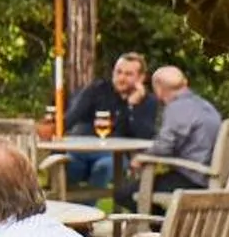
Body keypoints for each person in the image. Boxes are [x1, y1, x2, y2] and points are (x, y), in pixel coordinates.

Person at [117, 66, 221, 212]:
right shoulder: (206, 106)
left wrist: (141, 158)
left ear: (158, 89)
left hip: (191, 179)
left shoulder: (176, 108)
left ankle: (163, 230)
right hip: (212, 177)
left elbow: (164, 147)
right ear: (185, 83)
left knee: (124, 194)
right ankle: (170, 227)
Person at [62, 51, 158, 188]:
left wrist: (132, 107)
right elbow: (71, 118)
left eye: (128, 74)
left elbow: (145, 136)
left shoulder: (147, 101)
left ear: (141, 78)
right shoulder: (96, 90)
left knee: (103, 168)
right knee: (68, 166)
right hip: (82, 150)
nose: (121, 78)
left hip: (115, 156)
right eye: (118, 72)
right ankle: (71, 207)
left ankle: (87, 208)